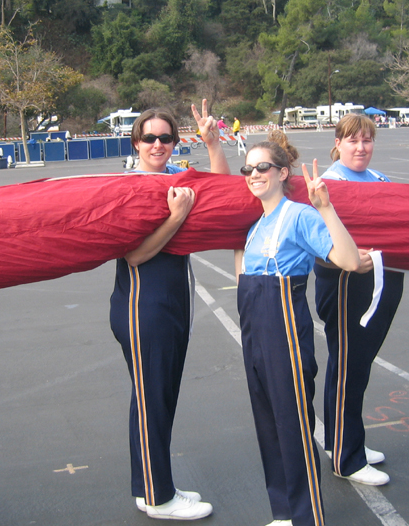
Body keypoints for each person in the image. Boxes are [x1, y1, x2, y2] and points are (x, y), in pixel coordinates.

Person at [109, 100, 228, 520]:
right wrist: (177, 217)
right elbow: (136, 256)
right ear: (135, 142)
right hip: (144, 303)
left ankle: (152, 483)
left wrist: (213, 144)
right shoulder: (126, 187)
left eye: (165, 138)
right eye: (149, 138)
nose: (157, 144)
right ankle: (157, 497)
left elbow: (223, 192)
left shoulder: (180, 177)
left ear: (176, 142)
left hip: (174, 301)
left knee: (160, 396)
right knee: (151, 398)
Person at [234, 130, 360, 526]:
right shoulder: (256, 226)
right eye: (248, 169)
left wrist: (325, 207)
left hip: (284, 327)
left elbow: (349, 260)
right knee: (268, 423)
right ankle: (285, 511)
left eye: (262, 167)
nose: (254, 174)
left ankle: (309, 517)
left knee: (293, 423)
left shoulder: (300, 215)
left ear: (282, 172)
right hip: (254, 326)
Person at [313, 114, 404, 486]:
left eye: (367, 140)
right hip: (346, 286)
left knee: (353, 366)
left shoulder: (381, 180)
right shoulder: (328, 183)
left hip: (379, 283)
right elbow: (319, 241)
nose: (361, 148)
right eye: (353, 141)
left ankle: (341, 440)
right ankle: (348, 459)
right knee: (349, 367)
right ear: (337, 143)